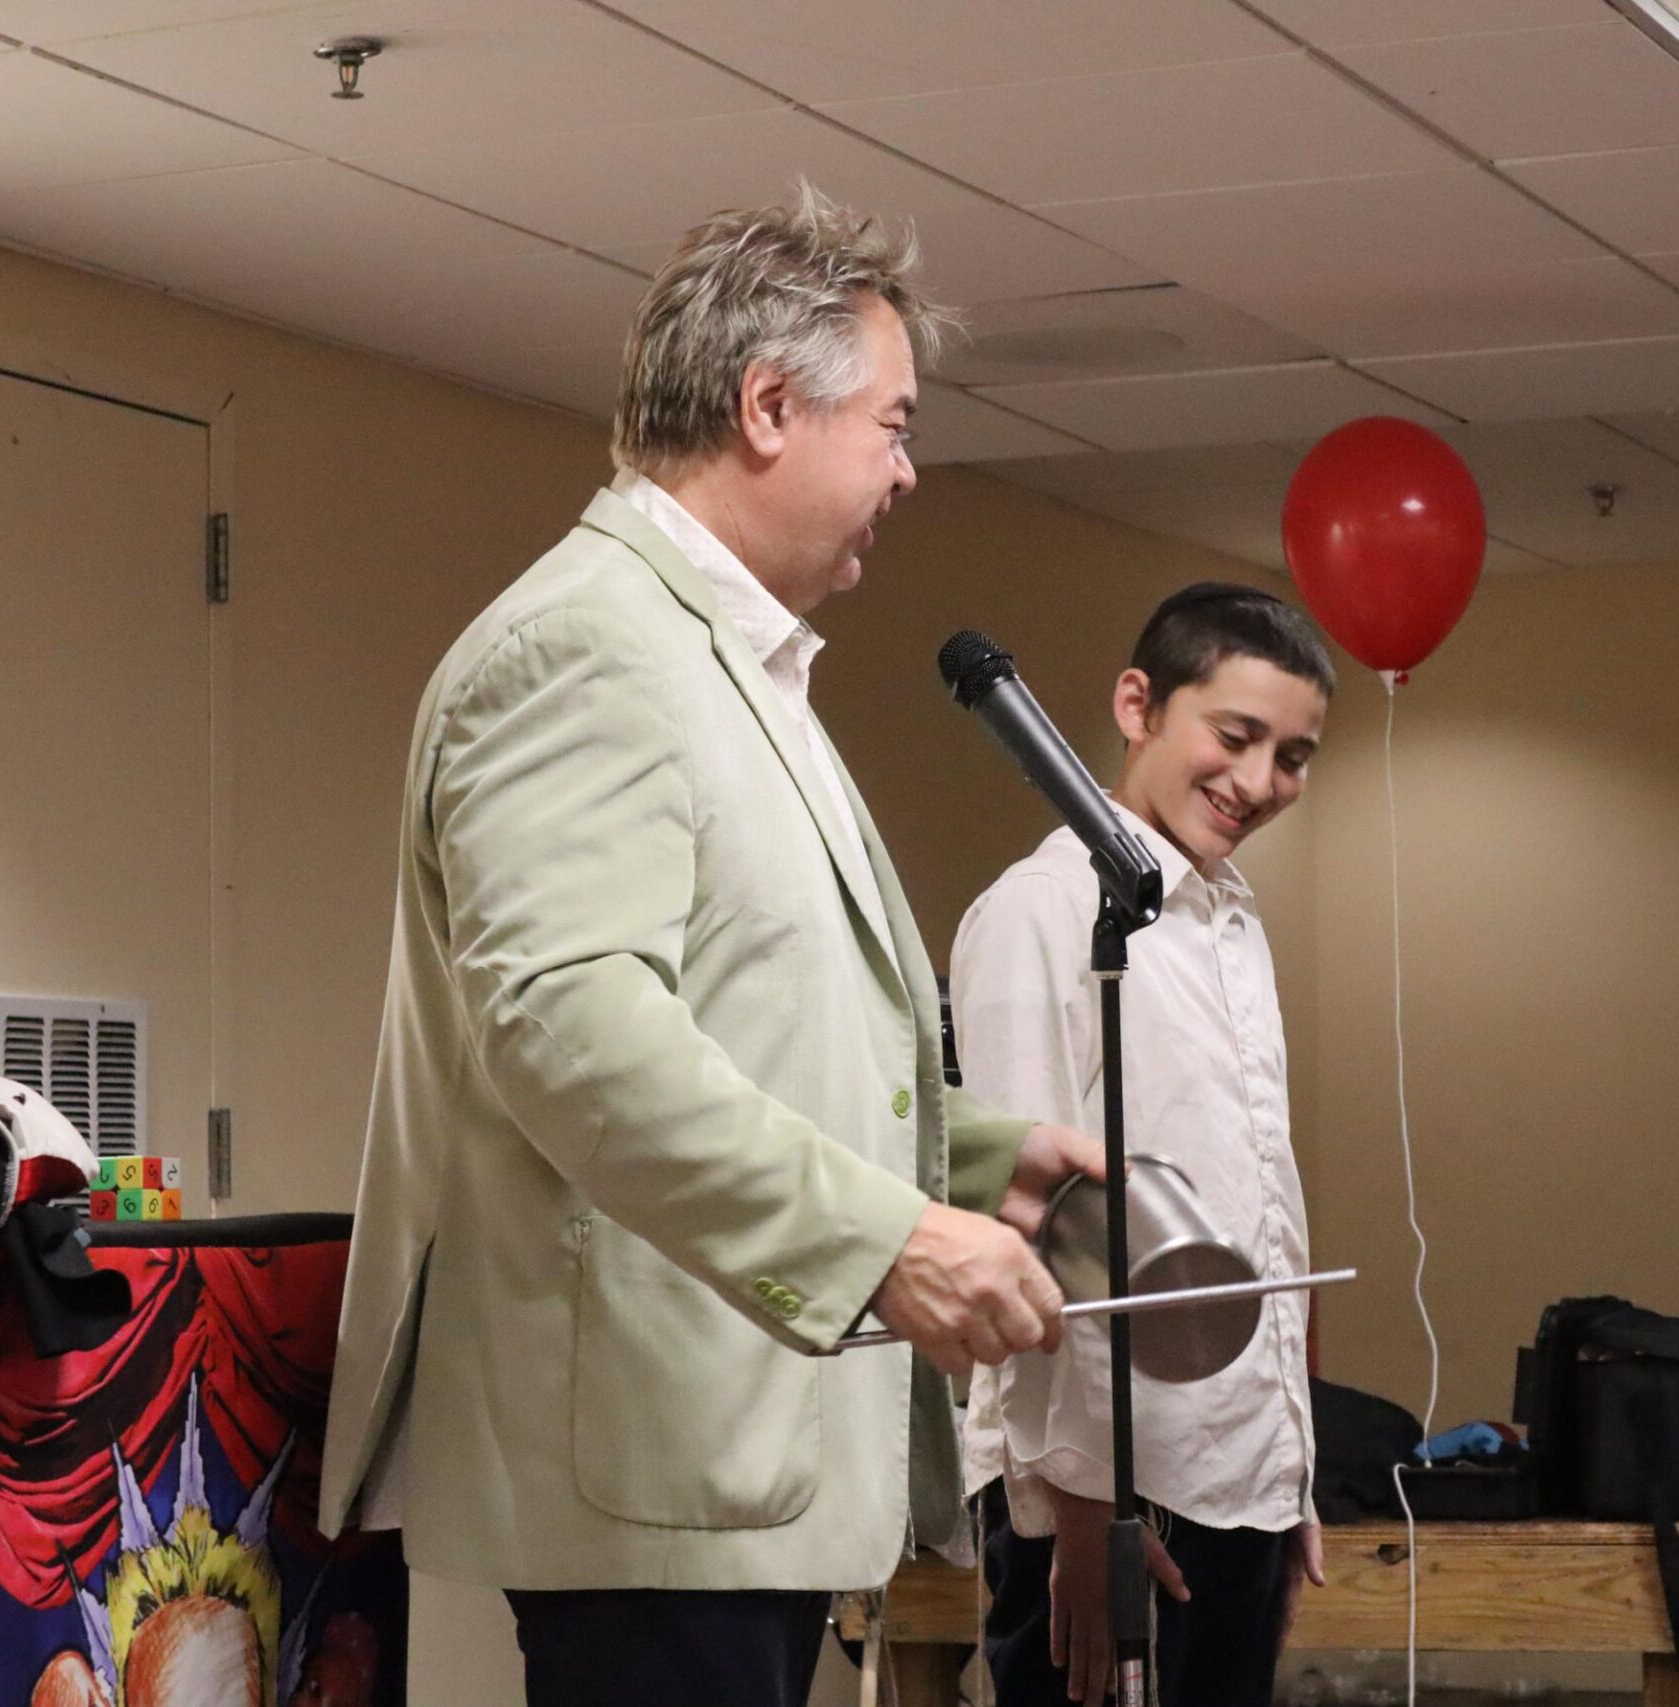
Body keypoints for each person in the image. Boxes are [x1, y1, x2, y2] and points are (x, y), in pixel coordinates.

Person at [314, 187, 1102, 1707]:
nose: (908, 470)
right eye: (891, 426)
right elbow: (572, 1032)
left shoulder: (720, 657)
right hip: (653, 1466)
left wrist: (967, 1158)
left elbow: (756, 1018)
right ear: (767, 407)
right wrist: (882, 1243)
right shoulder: (586, 647)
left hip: (726, 1453)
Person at [952, 583, 1338, 1706]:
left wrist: (1287, 1477)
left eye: (1294, 756)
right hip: (1107, 1494)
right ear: (1137, 705)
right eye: (1236, 735)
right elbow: (1029, 1230)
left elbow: (1261, 1200)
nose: (1259, 782)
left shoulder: (1229, 915)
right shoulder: (1038, 909)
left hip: (1236, 1473)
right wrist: (1085, 1513)